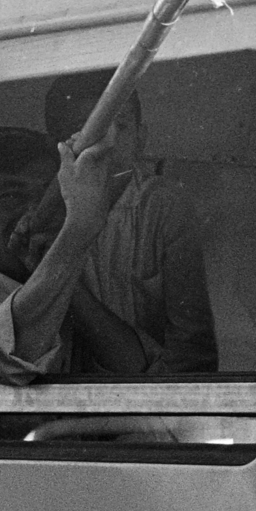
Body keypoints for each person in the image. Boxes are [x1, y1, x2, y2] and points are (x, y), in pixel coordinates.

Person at [34, 71, 217, 375]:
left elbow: (193, 350)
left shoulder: (163, 206)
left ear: (141, 139)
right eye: (86, 131)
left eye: (121, 126)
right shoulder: (41, 213)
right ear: (56, 145)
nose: (109, 142)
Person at [0, 128, 148, 383]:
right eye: (10, 196)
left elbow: (133, 367)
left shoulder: (59, 279)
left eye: (46, 196)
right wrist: (79, 228)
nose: (35, 212)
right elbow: (9, 354)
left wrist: (59, 272)